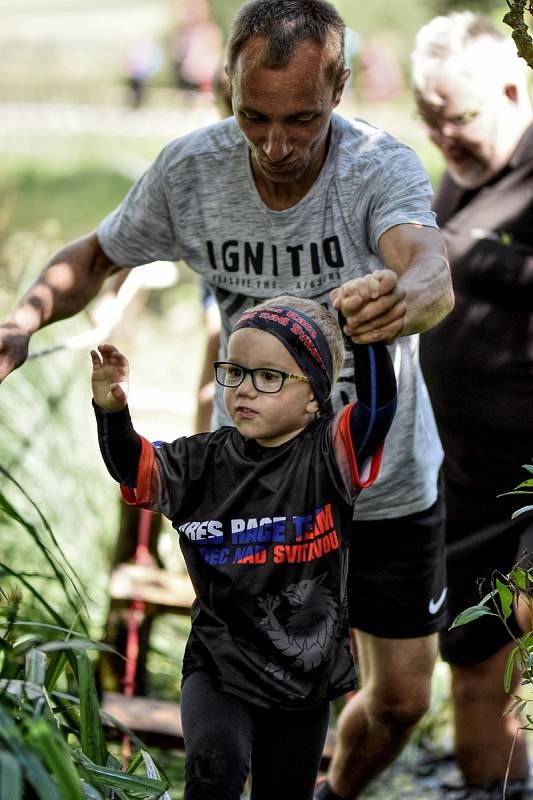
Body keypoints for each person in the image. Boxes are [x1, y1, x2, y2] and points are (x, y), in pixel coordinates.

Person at [0, 2, 454, 795]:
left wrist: (399, 297)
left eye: (302, 120)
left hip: (379, 482)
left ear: (341, 87)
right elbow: (95, 256)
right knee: (239, 701)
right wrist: (23, 320)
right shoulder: (193, 171)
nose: (276, 146)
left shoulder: (377, 168)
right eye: (255, 117)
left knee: (402, 701)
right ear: (225, 87)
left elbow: (429, 271)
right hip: (256, 487)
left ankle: (330, 791)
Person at [90, 283, 397, 800]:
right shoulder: (199, 463)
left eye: (269, 377)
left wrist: (367, 340)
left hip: (302, 682)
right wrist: (111, 410)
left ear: (313, 400)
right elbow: (133, 466)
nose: (245, 389)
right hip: (219, 667)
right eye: (234, 372)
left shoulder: (330, 456)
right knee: (215, 772)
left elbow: (379, 410)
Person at [411, 12, 533, 799]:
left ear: (512, 89)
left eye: (456, 118)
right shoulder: (459, 174)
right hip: (466, 476)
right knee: (471, 662)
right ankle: (491, 793)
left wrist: (441, 248)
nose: (443, 137)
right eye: (429, 121)